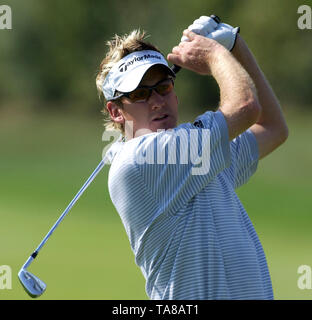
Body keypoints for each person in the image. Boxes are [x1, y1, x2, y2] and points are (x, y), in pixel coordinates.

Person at [95, 16, 288, 300]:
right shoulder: (140, 161)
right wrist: (216, 53)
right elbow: (246, 107)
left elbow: (273, 127)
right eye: (140, 94)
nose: (157, 100)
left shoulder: (201, 151)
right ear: (116, 111)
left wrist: (236, 45)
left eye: (163, 87)